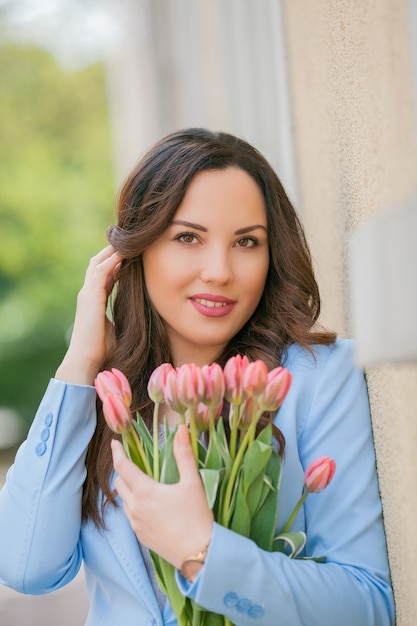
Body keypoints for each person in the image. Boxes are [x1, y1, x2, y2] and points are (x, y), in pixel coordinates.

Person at [0, 128, 394, 626]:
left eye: (246, 242)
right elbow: (26, 566)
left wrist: (201, 551)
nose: (219, 271)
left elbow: (367, 605)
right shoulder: (103, 394)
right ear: (135, 251)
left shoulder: (317, 380)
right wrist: (78, 365)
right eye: (188, 237)